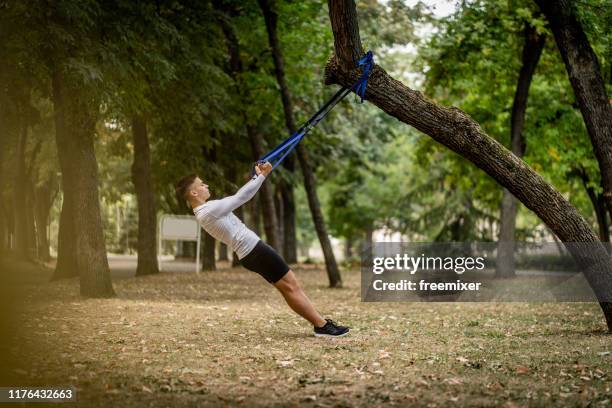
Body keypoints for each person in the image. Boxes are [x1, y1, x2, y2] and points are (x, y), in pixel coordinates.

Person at [175, 161, 349, 337]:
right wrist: (262, 176)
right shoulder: (208, 210)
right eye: (202, 184)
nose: (206, 185)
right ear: (194, 192)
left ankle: (321, 324)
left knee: (288, 287)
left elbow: (239, 195)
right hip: (254, 250)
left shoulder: (205, 211)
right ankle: (322, 325)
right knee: (291, 286)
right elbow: (240, 198)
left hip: (250, 253)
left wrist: (256, 177)